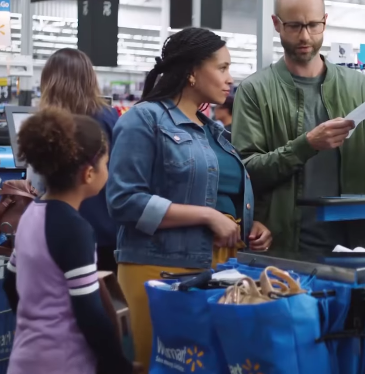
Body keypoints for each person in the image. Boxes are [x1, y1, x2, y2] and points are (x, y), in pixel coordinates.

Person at [107, 27, 270, 372]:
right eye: (222, 68)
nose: (230, 78)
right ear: (193, 72)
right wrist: (206, 216)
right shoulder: (144, 120)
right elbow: (123, 200)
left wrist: (249, 224)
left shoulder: (214, 130)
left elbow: (219, 192)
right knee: (159, 364)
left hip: (221, 268)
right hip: (161, 272)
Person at [232, 0, 365, 253]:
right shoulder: (255, 90)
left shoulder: (358, 86)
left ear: (325, 22)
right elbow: (248, 171)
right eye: (294, 26)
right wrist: (306, 145)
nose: (305, 36)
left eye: (313, 25)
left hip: (350, 245)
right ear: (276, 24)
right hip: (284, 245)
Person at [3, 107, 133, 374]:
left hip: (25, 358)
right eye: (105, 165)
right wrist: (117, 364)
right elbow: (89, 311)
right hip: (65, 361)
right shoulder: (75, 230)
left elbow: (9, 282)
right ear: (88, 173)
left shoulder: (31, 215)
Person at [27, 49, 121, 273]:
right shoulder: (109, 117)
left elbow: (36, 182)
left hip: (54, 227)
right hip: (106, 229)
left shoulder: (46, 123)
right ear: (90, 79)